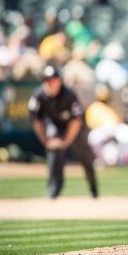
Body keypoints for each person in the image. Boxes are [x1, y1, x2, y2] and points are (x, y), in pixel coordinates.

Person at [28, 65, 98, 199]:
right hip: (56, 126)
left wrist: (65, 142)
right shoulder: (39, 96)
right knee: (54, 151)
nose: (50, 83)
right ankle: (53, 190)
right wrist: (47, 142)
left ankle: (93, 189)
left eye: (53, 79)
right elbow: (37, 122)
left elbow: (76, 122)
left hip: (75, 128)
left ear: (59, 81)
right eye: (46, 80)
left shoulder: (69, 95)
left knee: (85, 156)